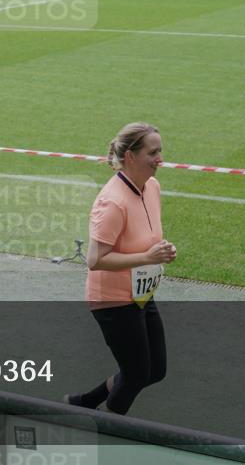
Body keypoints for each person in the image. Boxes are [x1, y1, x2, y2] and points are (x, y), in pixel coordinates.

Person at [65, 122, 176, 414]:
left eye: (160, 151)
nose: (160, 159)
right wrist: (147, 258)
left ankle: (85, 402)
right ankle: (111, 429)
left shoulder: (151, 186)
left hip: (140, 293)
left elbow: (144, 238)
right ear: (130, 157)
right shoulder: (112, 202)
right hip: (112, 301)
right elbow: (95, 259)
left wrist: (161, 250)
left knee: (156, 370)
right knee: (137, 374)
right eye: (153, 152)